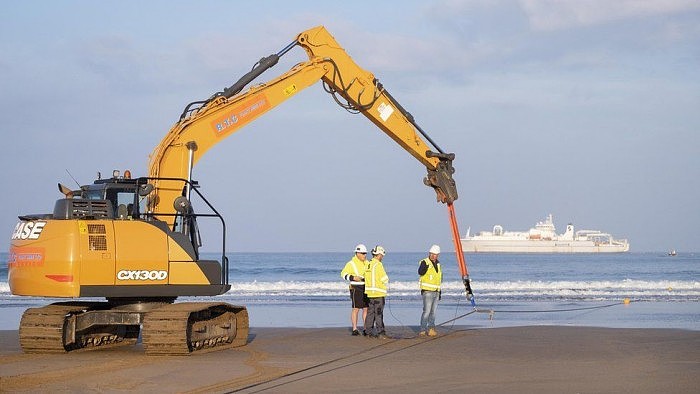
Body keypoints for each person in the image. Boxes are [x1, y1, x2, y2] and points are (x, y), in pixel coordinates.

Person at [340, 244, 369, 335]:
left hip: (366, 287)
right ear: (357, 253)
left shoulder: (367, 263)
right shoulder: (351, 264)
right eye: (363, 253)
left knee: (366, 308)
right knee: (356, 308)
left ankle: (365, 328)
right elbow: (343, 274)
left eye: (365, 253)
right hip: (355, 287)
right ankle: (355, 329)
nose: (364, 255)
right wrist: (353, 277)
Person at [364, 245, 389, 339]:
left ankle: (368, 332)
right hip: (378, 294)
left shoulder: (368, 264)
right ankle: (381, 333)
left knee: (370, 313)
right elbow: (384, 278)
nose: (382, 257)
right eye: (381, 255)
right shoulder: (378, 264)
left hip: (370, 294)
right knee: (379, 314)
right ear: (378, 254)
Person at [418, 244, 442, 337]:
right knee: (427, 311)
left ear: (438, 255)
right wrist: (426, 267)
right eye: (431, 254)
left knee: (433, 312)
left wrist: (439, 292)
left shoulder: (438, 264)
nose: (432, 255)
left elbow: (438, 279)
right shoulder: (425, 262)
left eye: (434, 254)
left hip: (436, 291)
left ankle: (431, 329)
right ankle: (423, 330)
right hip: (427, 291)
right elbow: (420, 272)